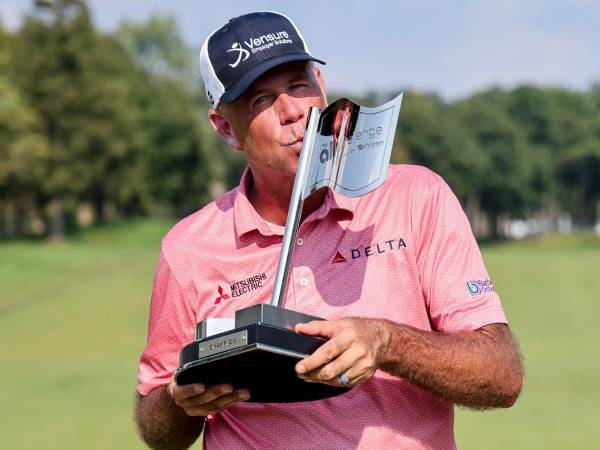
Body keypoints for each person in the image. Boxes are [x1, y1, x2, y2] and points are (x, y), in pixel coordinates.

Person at [134, 11, 523, 450]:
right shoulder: (188, 249)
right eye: (261, 99)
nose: (292, 111)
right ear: (226, 127)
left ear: (321, 85)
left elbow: (502, 374)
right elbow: (157, 425)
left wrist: (387, 342)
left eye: (299, 86)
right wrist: (177, 401)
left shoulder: (415, 196)